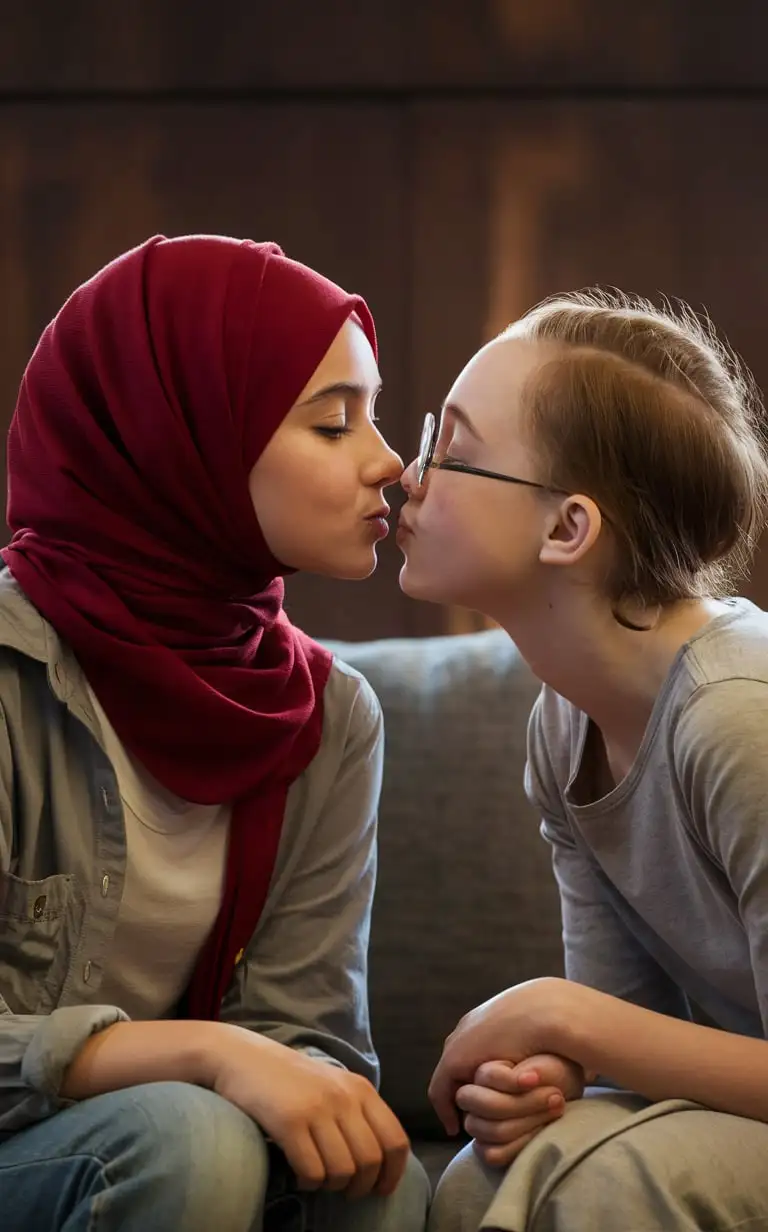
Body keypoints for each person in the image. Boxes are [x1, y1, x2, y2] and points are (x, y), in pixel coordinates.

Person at [0, 234, 430, 1232]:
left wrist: (257, 1063)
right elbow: (236, 1068)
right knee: (189, 1140)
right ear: (175, 435)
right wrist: (206, 1052)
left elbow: (307, 1037)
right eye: (333, 424)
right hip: (68, 1142)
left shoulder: (330, 715)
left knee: (378, 1189)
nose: (389, 462)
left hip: (188, 1138)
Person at [397, 288, 768, 1230]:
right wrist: (551, 1071)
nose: (412, 475)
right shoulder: (565, 724)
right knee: (487, 1175)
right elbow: (624, 1020)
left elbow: (591, 1017)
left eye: (457, 453)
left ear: (568, 529)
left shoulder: (735, 720)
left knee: (605, 1184)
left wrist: (563, 1020)